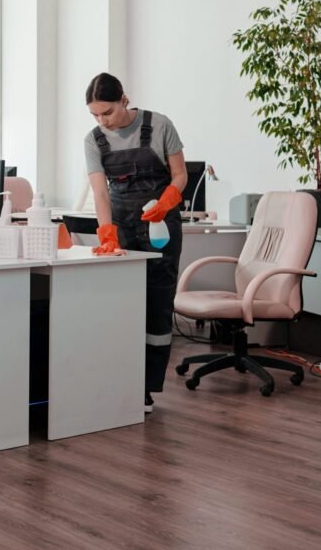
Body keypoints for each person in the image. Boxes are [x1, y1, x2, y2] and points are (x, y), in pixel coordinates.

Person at [83, 73, 187, 414]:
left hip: (160, 223)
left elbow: (180, 174)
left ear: (124, 100)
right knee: (122, 304)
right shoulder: (94, 140)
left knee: (157, 304)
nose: (103, 121)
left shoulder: (159, 125)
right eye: (95, 115)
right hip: (122, 225)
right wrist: (106, 232)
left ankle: (146, 388)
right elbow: (100, 191)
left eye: (108, 112)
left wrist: (169, 199)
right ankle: (119, 380)